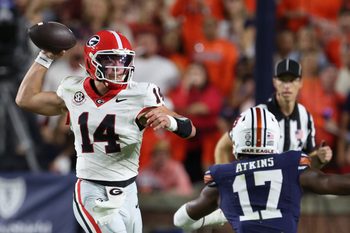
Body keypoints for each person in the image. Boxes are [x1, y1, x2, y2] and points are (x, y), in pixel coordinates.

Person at [16, 29, 196, 233]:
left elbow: (189, 129)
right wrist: (44, 57)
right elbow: (26, 99)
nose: (118, 67)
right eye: (111, 60)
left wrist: (171, 122)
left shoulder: (141, 94)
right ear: (92, 61)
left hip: (128, 191)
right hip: (92, 190)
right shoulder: (73, 90)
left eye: (123, 60)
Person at [173, 107, 350, 233]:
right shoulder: (291, 164)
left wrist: (210, 218)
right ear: (274, 137)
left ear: (237, 139)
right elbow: (333, 183)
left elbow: (179, 219)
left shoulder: (223, 177)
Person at [215, 58, 332, 169]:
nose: (287, 86)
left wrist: (320, 158)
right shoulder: (259, 113)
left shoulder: (305, 116)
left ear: (301, 82)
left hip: (290, 187)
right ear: (275, 82)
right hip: (261, 187)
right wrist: (226, 182)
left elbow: (308, 164)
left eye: (292, 80)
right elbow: (222, 147)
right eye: (282, 80)